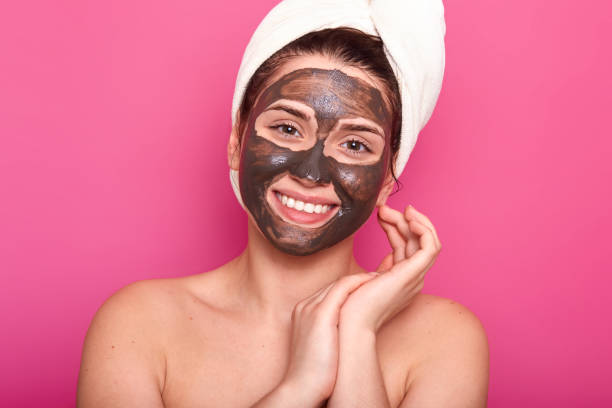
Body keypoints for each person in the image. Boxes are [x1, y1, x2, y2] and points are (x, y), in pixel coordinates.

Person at [77, 1, 489, 407]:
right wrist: (300, 386)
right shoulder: (138, 325)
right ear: (238, 142)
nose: (312, 173)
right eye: (288, 128)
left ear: (386, 178)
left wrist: (358, 332)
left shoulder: (445, 339)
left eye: (355, 144)